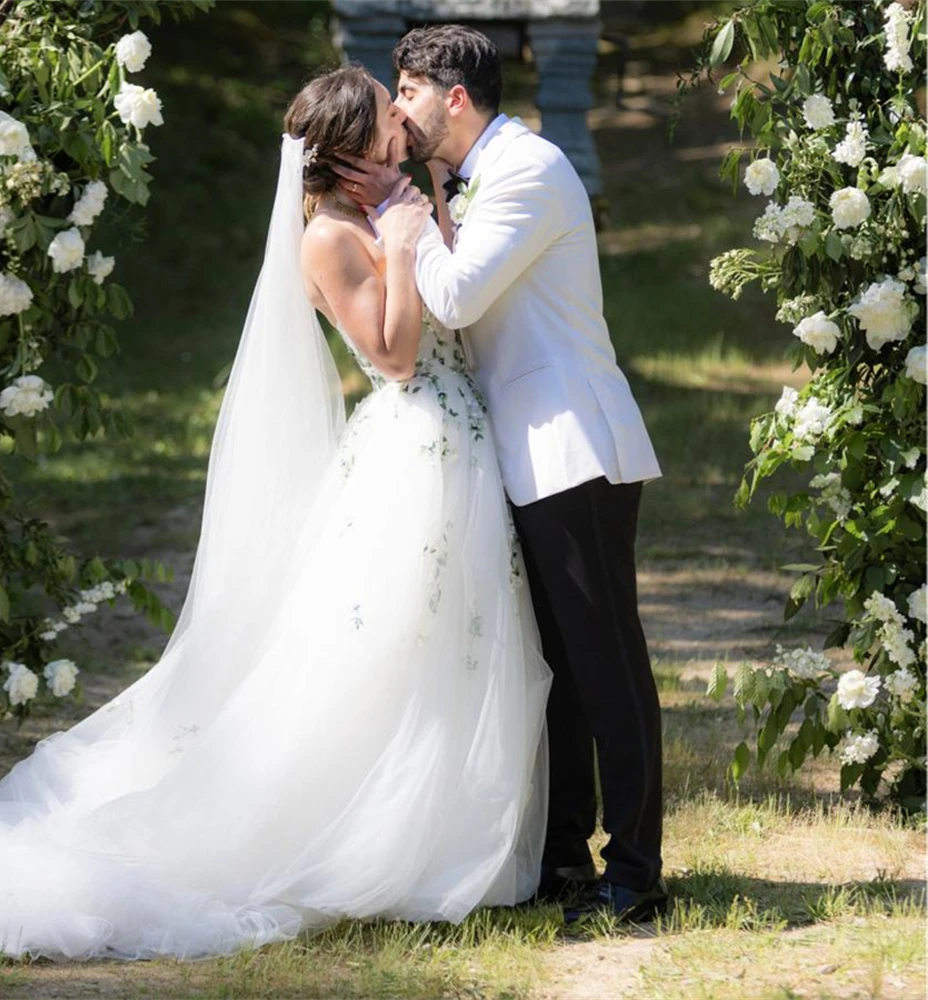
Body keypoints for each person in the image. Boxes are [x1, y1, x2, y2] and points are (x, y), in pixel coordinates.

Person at [0, 66, 552, 962]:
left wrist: (429, 212)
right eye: (385, 119)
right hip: (413, 445)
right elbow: (399, 355)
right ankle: (375, 841)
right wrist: (409, 239)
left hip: (459, 442)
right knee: (390, 649)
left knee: (456, 642)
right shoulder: (329, 240)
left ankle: (457, 838)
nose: (400, 128)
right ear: (345, 154)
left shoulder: (384, 208)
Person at [332, 24, 668, 922]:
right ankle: (562, 857)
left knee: (606, 668)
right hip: (520, 452)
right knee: (555, 670)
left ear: (452, 97)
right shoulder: (468, 173)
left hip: (574, 448)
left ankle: (636, 874)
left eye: (404, 90)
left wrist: (404, 210)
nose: (394, 106)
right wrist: (425, 196)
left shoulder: (527, 170)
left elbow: (451, 296)